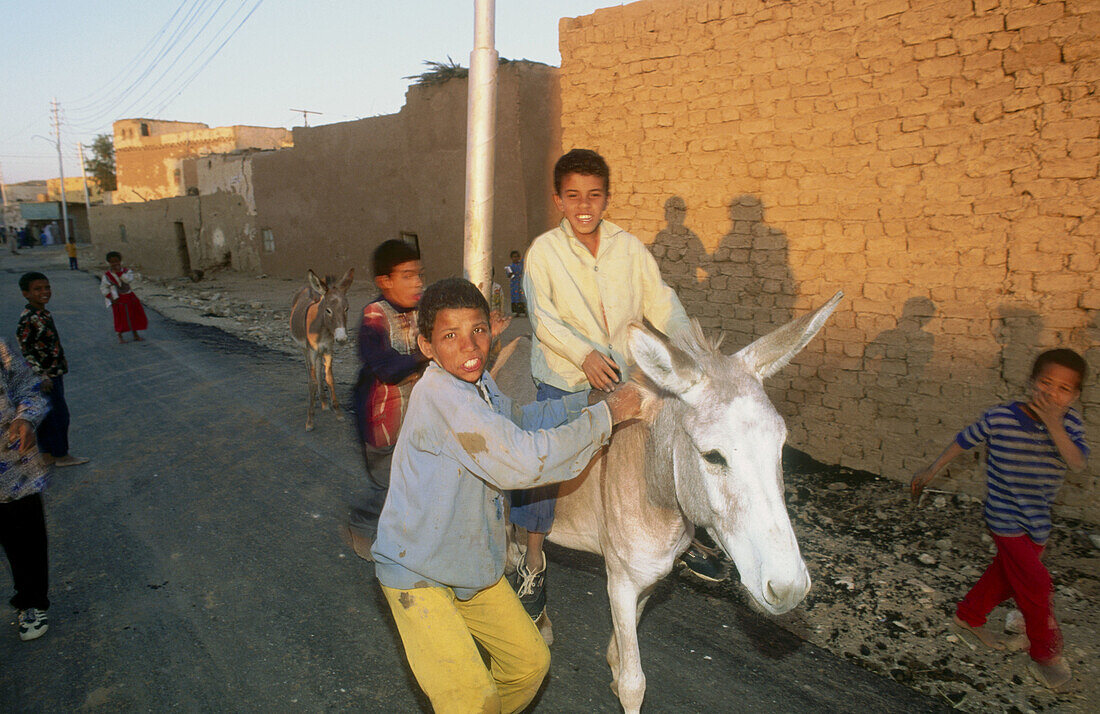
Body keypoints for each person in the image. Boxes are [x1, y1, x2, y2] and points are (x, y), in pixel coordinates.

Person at [371, 277, 641, 713]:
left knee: (529, 663)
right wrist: (606, 417)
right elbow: (524, 460)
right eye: (450, 336)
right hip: (418, 571)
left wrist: (584, 403)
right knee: (473, 701)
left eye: (478, 330)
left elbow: (517, 418)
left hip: (469, 561)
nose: (470, 347)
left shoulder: (476, 386)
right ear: (426, 346)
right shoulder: (443, 397)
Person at [514, 148, 724, 620]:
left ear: (607, 198)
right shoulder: (543, 252)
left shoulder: (628, 247)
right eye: (573, 196)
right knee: (547, 464)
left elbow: (661, 300)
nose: (583, 205)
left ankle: (686, 535)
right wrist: (583, 356)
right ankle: (531, 562)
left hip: (626, 375)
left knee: (679, 431)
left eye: (593, 195)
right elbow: (542, 318)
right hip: (565, 376)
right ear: (558, 200)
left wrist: (694, 349)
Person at [911, 349, 1089, 691]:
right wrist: (931, 469)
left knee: (1007, 575)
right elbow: (964, 441)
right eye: (1046, 383)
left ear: (1076, 396)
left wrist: (1053, 424)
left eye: (1064, 389)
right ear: (1031, 383)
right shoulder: (1002, 417)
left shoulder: (1070, 425)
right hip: (1004, 517)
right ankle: (1045, 656)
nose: (1053, 393)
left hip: (1037, 522)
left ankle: (969, 616)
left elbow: (1077, 463)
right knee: (1036, 584)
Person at [344, 240, 427, 559]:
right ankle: (363, 522)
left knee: (417, 485)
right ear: (385, 281)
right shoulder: (374, 316)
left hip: (416, 422)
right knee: (391, 489)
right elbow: (386, 367)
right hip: (383, 428)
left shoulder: (423, 313)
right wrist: (423, 354)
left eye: (419, 275)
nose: (417, 282)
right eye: (407, 276)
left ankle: (410, 542)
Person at [0, 337, 52, 641]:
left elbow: (26, 385)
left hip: (13, 463)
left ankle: (31, 602)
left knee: (26, 541)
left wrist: (25, 418)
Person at [16, 272, 90, 469]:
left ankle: (47, 454)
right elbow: (27, 351)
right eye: (37, 289)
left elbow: (48, 343)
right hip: (45, 376)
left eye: (46, 287)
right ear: (26, 293)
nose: (45, 292)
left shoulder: (43, 314)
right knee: (59, 416)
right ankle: (61, 455)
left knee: (48, 416)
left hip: (53, 371)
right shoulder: (28, 318)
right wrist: (41, 374)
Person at [100, 251, 148, 343]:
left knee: (133, 315)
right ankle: (120, 336)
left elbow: (128, 280)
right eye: (112, 262)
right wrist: (110, 297)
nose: (115, 264)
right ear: (108, 262)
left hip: (129, 296)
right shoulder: (107, 275)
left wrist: (119, 273)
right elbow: (103, 287)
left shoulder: (126, 272)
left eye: (116, 261)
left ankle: (135, 335)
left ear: (120, 261)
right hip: (117, 298)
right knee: (120, 318)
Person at [504, 250, 526, 316]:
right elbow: (509, 276)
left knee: (523, 297)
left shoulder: (522, 264)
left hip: (521, 284)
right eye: (514, 257)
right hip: (514, 285)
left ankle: (525, 311)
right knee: (515, 297)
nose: (515, 258)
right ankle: (517, 312)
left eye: (517, 257)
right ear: (511, 258)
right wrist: (510, 273)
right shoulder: (510, 267)